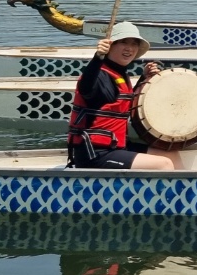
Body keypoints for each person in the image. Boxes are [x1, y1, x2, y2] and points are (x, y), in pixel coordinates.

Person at [66, 22, 179, 170]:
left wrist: (144, 78)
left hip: (116, 147)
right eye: (123, 42)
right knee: (164, 164)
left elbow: (123, 103)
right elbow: (86, 88)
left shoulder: (119, 74)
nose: (129, 48)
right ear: (110, 46)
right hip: (94, 153)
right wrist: (97, 57)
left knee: (172, 155)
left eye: (134, 44)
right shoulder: (98, 74)